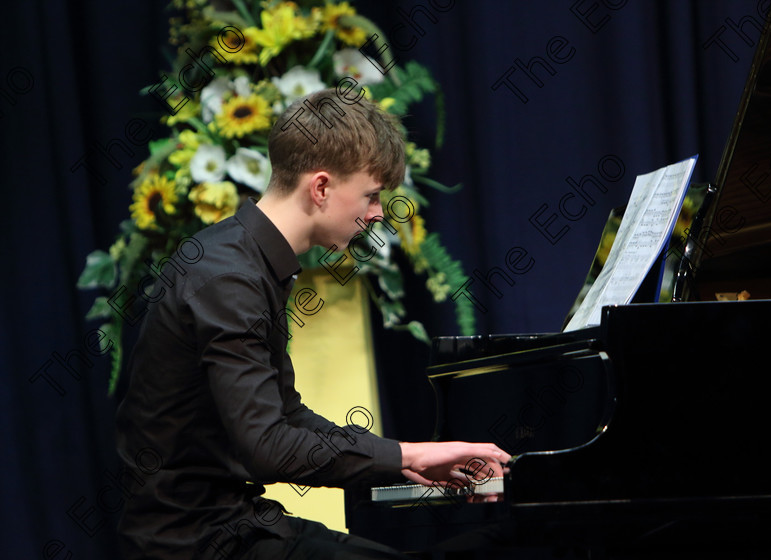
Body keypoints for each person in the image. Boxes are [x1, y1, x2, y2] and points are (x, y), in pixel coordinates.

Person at [114, 88, 510, 560]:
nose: (379, 212)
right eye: (371, 195)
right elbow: (267, 446)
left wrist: (402, 457)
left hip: (228, 521)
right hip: (192, 540)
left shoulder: (246, 258)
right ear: (320, 188)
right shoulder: (229, 277)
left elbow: (286, 414)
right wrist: (408, 455)